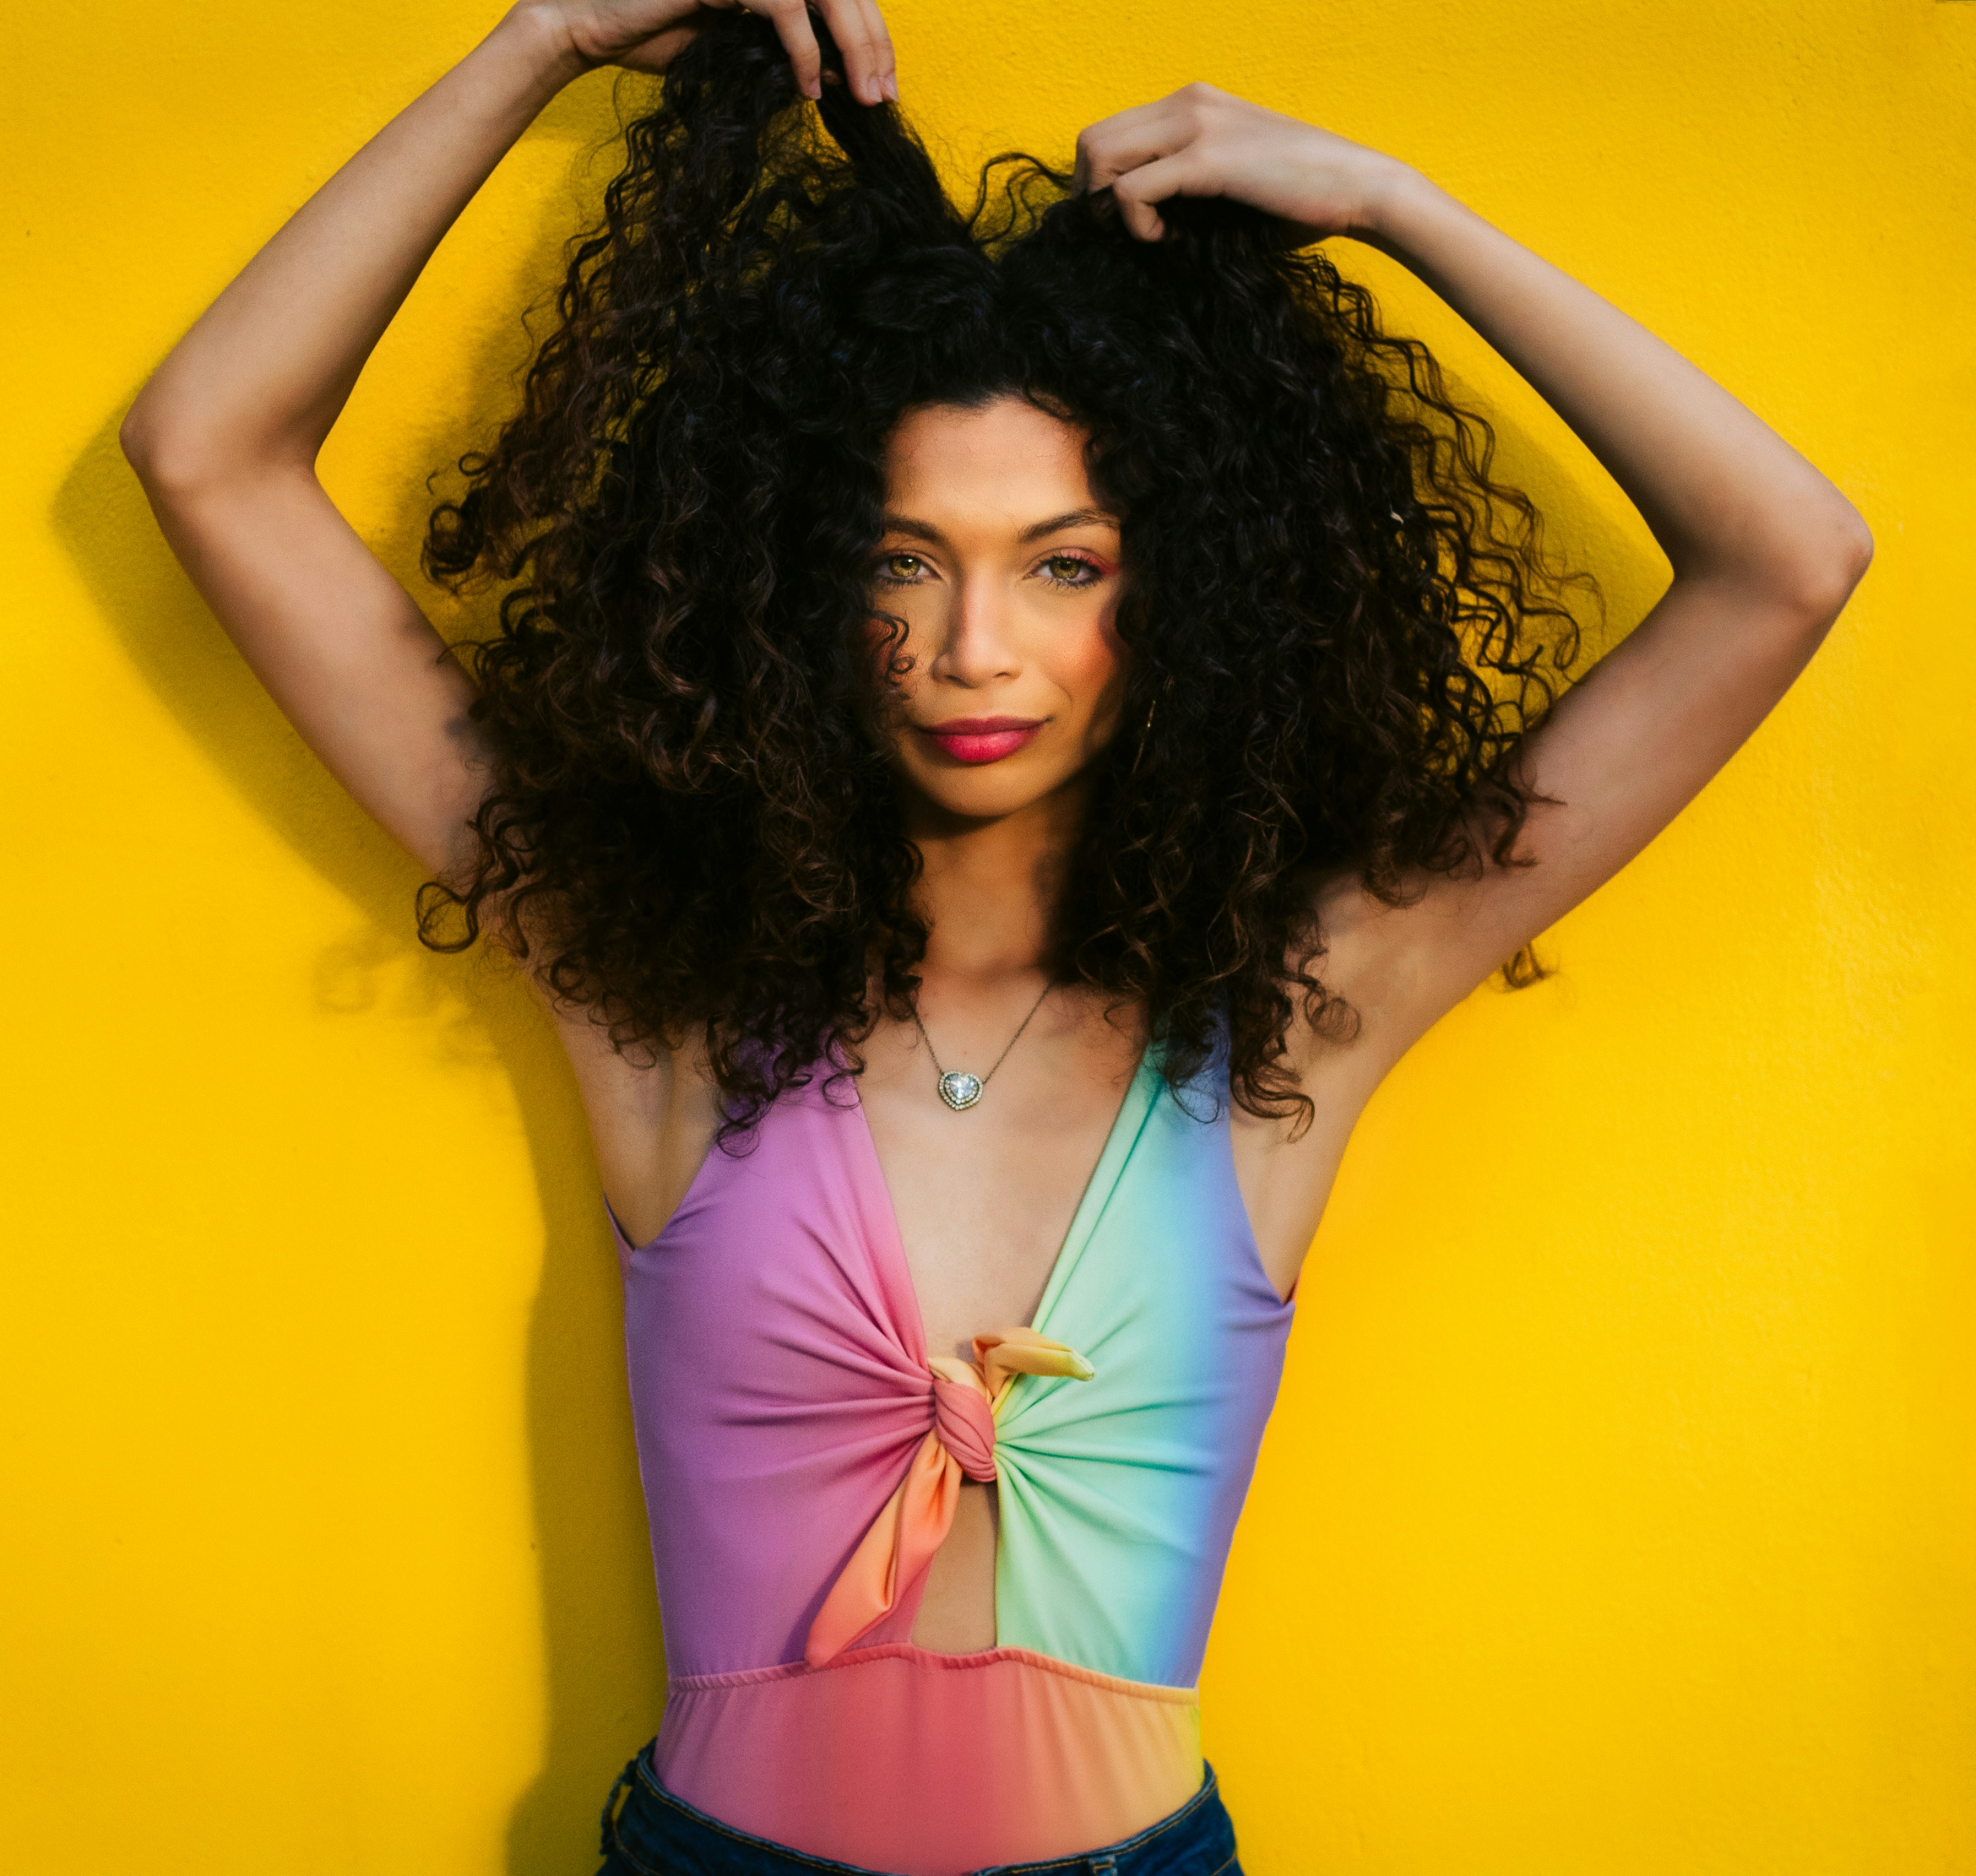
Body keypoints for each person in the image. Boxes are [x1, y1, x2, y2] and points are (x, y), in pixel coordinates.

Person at [119, 2, 1872, 1871]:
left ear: (1174, 596)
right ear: (801, 590)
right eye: (900, 558)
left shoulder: (1305, 1008)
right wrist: (537, 38)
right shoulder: (660, 991)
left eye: (1063, 562)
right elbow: (207, 452)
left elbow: (1789, 559)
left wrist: (1391, 205)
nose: (973, 648)